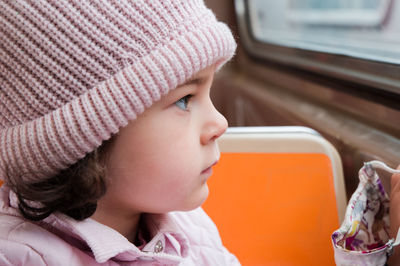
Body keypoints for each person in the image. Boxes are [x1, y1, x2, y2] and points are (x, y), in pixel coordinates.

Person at [0, 0, 239, 265]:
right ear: (85, 136)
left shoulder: (191, 228)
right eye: (185, 100)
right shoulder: (19, 256)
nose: (220, 123)